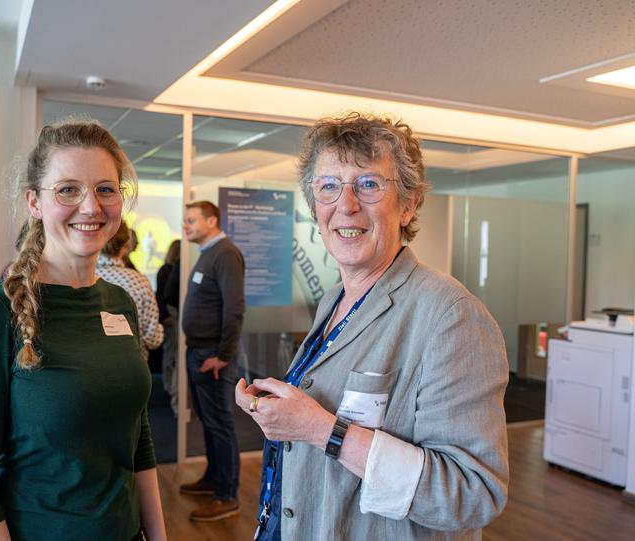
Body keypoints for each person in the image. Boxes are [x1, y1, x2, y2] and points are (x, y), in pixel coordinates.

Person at [235, 113, 509, 540]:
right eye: (328, 186)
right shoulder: (335, 298)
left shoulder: (450, 316)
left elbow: (472, 493)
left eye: (368, 184)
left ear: (409, 203)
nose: (345, 205)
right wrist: (283, 413)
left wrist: (319, 429)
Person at [0, 119, 167, 541]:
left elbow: (137, 441)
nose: (91, 207)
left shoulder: (119, 303)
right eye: (68, 189)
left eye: (106, 189)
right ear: (34, 202)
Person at [180, 200, 245, 521]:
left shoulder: (226, 254)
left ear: (211, 221)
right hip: (199, 351)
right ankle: (213, 478)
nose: (186, 226)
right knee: (209, 421)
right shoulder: (209, 254)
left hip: (212, 356)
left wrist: (223, 356)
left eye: (192, 220)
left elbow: (234, 309)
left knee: (220, 424)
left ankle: (227, 494)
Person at [96, 221, 164, 362]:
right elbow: (153, 339)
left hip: (90, 366)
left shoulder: (80, 278)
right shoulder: (139, 282)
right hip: (132, 366)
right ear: (127, 244)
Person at [156, 239, 180, 414]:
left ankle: (170, 387)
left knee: (172, 353)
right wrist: (166, 316)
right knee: (171, 352)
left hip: (172, 316)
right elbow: (162, 296)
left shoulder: (168, 269)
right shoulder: (165, 270)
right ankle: (169, 387)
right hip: (171, 317)